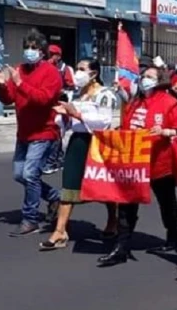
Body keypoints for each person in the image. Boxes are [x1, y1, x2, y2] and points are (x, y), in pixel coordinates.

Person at [97, 65, 177, 267]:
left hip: (160, 164)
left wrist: (165, 132)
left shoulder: (169, 103)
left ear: (159, 80)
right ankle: (122, 247)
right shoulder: (135, 102)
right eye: (143, 75)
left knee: (166, 203)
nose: (144, 79)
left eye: (149, 76)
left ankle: (173, 236)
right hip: (135, 164)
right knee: (126, 205)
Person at [39, 59, 118, 250]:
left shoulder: (105, 94)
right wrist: (64, 115)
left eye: (82, 69)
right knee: (70, 184)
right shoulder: (77, 93)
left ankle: (113, 220)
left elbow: (104, 121)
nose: (78, 73)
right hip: (77, 142)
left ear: (94, 73)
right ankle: (60, 231)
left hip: (97, 143)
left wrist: (78, 115)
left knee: (102, 183)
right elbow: (66, 121)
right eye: (77, 69)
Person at [0, 29, 63, 236]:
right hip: (24, 133)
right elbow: (9, 98)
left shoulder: (51, 73)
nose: (29, 51)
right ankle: (54, 196)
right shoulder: (19, 69)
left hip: (44, 132)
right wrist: (0, 85)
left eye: (34, 48)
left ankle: (30, 218)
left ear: (42, 52)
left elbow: (43, 99)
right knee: (19, 174)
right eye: (27, 47)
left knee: (30, 174)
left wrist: (20, 83)